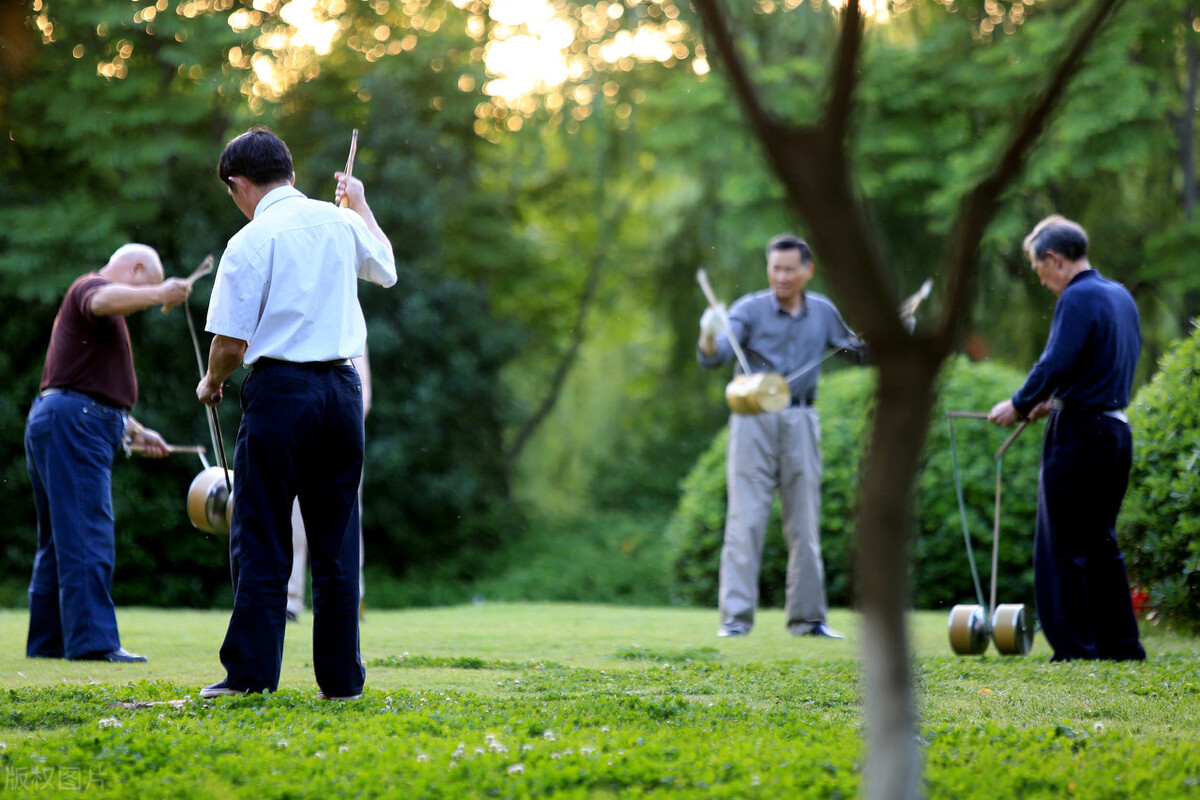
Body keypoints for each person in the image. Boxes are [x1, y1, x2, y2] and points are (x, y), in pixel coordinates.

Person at [196, 127, 396, 699]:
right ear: (289, 171)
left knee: (262, 533)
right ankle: (342, 682)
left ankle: (250, 678)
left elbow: (230, 343)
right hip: (342, 391)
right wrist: (360, 203)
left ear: (238, 183)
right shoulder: (340, 221)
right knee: (336, 542)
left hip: (281, 393)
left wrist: (212, 381)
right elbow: (386, 268)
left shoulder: (250, 240)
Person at [987, 215, 1145, 662]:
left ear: (1054, 259)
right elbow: (1097, 362)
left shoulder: (1076, 297)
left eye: (1039, 270)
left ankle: (1075, 648)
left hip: (1079, 433)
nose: (1042, 281)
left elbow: (1053, 362)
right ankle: (1120, 647)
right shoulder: (1120, 296)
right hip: (1115, 430)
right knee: (1101, 541)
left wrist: (1019, 404)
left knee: (1063, 544)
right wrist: (1053, 399)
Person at [25, 244, 190, 662]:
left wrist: (133, 430)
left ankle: (47, 645)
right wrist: (161, 292)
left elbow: (87, 383)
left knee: (59, 540)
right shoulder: (92, 287)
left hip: (61, 418)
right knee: (87, 533)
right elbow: (103, 300)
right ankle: (94, 644)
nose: (145, 304)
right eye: (147, 287)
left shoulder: (96, 314)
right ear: (136, 269)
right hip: (73, 422)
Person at [698, 234, 867, 639]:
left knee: (805, 522)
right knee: (745, 520)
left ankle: (809, 620)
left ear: (808, 271)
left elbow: (861, 355)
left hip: (802, 419)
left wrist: (896, 335)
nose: (782, 276)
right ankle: (735, 621)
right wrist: (708, 333)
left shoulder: (823, 311)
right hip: (752, 421)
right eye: (775, 268)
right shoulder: (748, 309)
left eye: (790, 269)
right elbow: (716, 357)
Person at [288, 349, 369, 624]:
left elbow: (364, 388)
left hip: (341, 428)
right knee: (293, 520)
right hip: (303, 423)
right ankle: (290, 600)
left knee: (346, 524)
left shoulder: (353, 332)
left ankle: (351, 600)